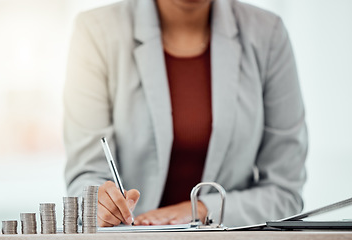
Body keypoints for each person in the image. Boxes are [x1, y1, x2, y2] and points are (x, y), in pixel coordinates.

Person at [64, 0, 308, 227]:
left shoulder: (268, 34)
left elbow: (284, 192)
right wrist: (98, 203)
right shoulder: (96, 31)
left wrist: (202, 211)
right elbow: (85, 177)